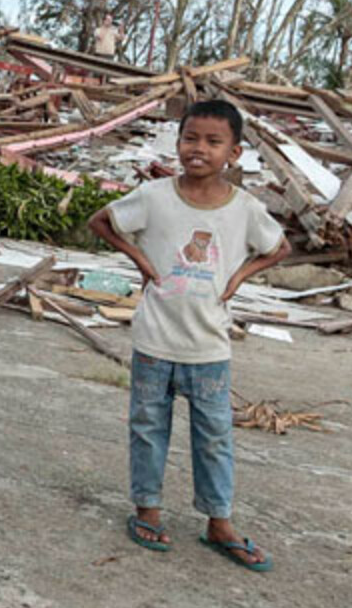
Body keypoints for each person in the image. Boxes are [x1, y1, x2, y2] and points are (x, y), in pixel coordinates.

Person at [87, 98, 289, 572]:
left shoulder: (245, 209)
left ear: (234, 153)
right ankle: (147, 511)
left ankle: (219, 523)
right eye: (190, 138)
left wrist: (238, 278)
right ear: (177, 143)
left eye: (213, 141)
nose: (199, 149)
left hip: (209, 347)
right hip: (154, 341)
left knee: (215, 436)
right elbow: (101, 222)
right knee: (148, 429)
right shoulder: (155, 196)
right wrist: (140, 260)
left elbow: (279, 248)